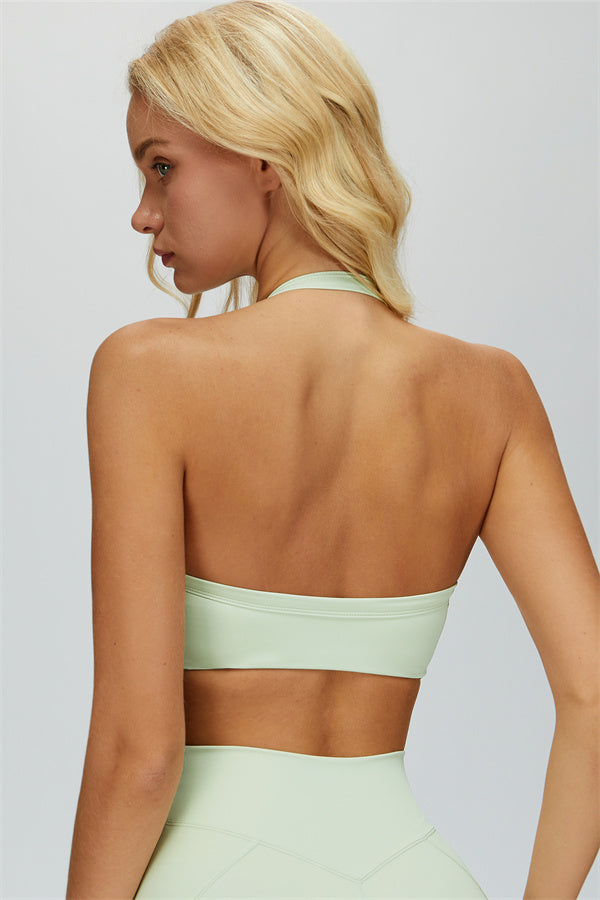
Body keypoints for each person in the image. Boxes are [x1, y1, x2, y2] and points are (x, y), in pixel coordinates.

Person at [66, 1, 599, 897]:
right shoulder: (493, 392)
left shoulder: (148, 372)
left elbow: (140, 756)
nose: (142, 214)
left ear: (264, 155)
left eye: (161, 168)